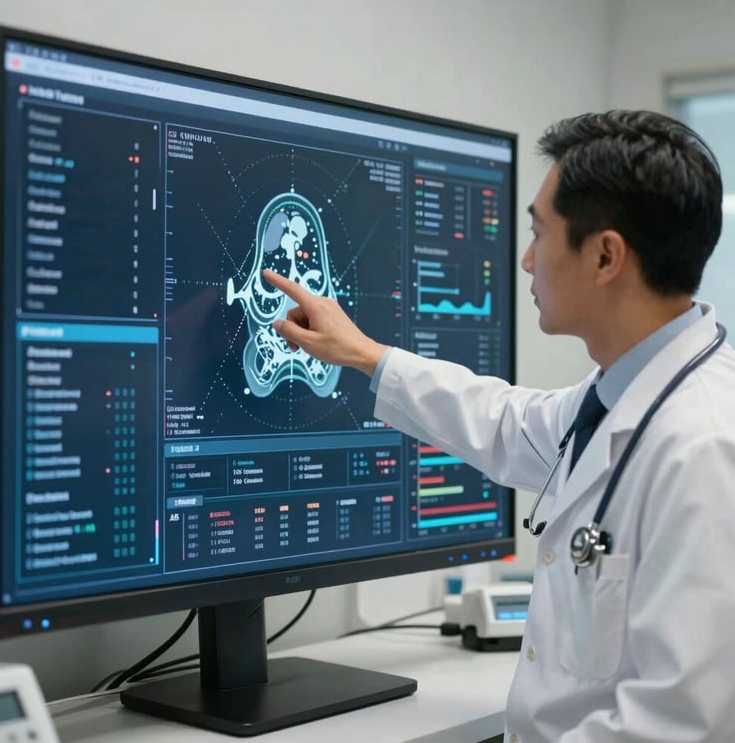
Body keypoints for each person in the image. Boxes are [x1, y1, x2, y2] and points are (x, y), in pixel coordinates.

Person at [262, 109, 735, 742]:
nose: (527, 260)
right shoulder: (622, 396)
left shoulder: (703, 447)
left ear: (605, 256)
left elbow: (679, 726)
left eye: (539, 233)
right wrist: (366, 355)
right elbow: (506, 422)